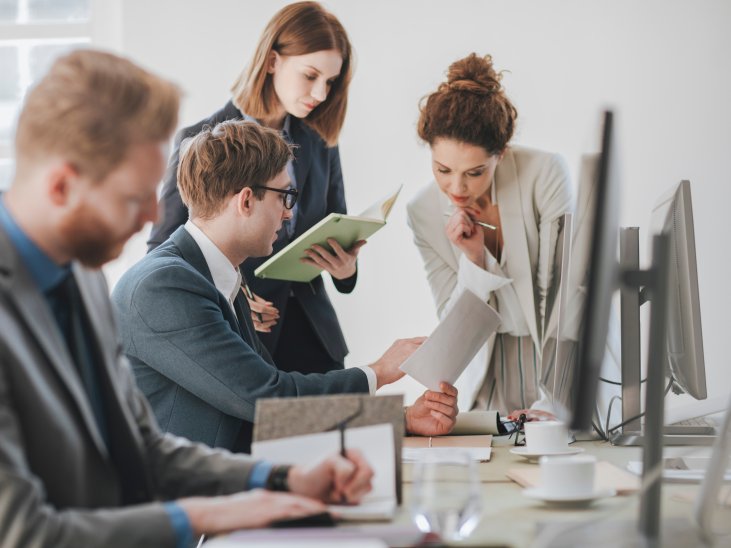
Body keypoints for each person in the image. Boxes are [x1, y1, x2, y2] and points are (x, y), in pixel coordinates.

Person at [0, 49, 377, 548]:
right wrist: (201, 516)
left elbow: (143, 447)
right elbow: (25, 532)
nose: (148, 221)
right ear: (62, 185)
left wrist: (277, 480)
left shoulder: (84, 278)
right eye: (135, 198)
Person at [112, 119, 459, 453]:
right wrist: (378, 372)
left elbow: (277, 411)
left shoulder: (214, 275)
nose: (290, 213)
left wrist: (401, 420)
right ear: (246, 200)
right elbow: (266, 398)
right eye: (285, 196)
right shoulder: (164, 286)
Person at [148, 1, 361, 375]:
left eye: (330, 82)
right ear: (272, 61)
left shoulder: (320, 140)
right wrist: (234, 297)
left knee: (334, 431)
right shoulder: (200, 141)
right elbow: (163, 257)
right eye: (310, 76)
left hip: (316, 339)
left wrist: (346, 270)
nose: (321, 93)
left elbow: (334, 223)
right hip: (241, 342)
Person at [407, 53, 573, 419]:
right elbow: (453, 326)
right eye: (443, 169)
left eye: (475, 172)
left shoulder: (544, 174)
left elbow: (565, 294)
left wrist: (555, 400)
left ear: (501, 154)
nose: (457, 187)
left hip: (557, 364)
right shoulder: (422, 212)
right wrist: (474, 260)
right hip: (487, 374)